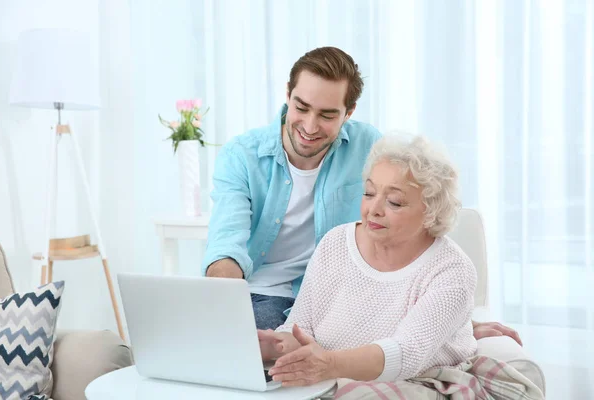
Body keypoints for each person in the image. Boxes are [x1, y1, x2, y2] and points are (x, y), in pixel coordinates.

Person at [201, 46, 521, 345]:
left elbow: (413, 229)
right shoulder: (242, 155)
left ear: (348, 112)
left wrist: (455, 324)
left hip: (343, 298)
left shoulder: (369, 146)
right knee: (231, 348)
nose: (310, 126)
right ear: (288, 94)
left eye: (327, 115)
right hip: (264, 295)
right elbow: (226, 245)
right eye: (301, 108)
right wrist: (228, 313)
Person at [260, 135, 477, 386]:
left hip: (416, 382)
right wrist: (278, 345)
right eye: (369, 193)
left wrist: (329, 365)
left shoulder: (451, 270)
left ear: (432, 211)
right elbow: (302, 326)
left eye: (394, 202)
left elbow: (407, 353)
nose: (374, 209)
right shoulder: (336, 243)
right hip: (331, 376)